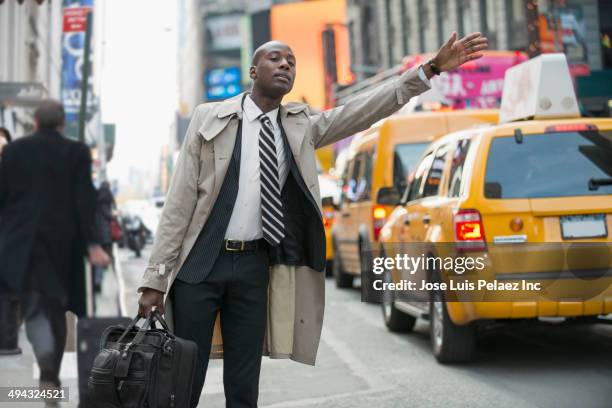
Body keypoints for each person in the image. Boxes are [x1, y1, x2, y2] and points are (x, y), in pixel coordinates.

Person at [138, 32, 488, 407]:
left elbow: (363, 109)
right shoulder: (210, 119)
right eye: (275, 59)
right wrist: (154, 280)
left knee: (244, 381)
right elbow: (179, 204)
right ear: (253, 71)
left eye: (291, 60)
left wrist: (430, 69)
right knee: (184, 377)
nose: (286, 64)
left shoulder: (300, 127)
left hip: (254, 268)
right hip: (200, 267)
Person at [0, 100, 110, 398]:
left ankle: (48, 375)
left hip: (21, 247)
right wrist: (92, 244)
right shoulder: (76, 152)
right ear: (62, 124)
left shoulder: (13, 151)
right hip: (64, 247)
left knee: (34, 308)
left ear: (34, 121)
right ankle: (50, 375)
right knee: (58, 310)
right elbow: (84, 201)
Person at [93, 181, 116, 293]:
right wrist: (114, 216)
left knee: (97, 260)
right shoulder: (106, 199)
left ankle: (96, 281)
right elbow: (108, 215)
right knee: (104, 259)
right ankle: (98, 281)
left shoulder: (96, 199)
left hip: (96, 233)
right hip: (105, 234)